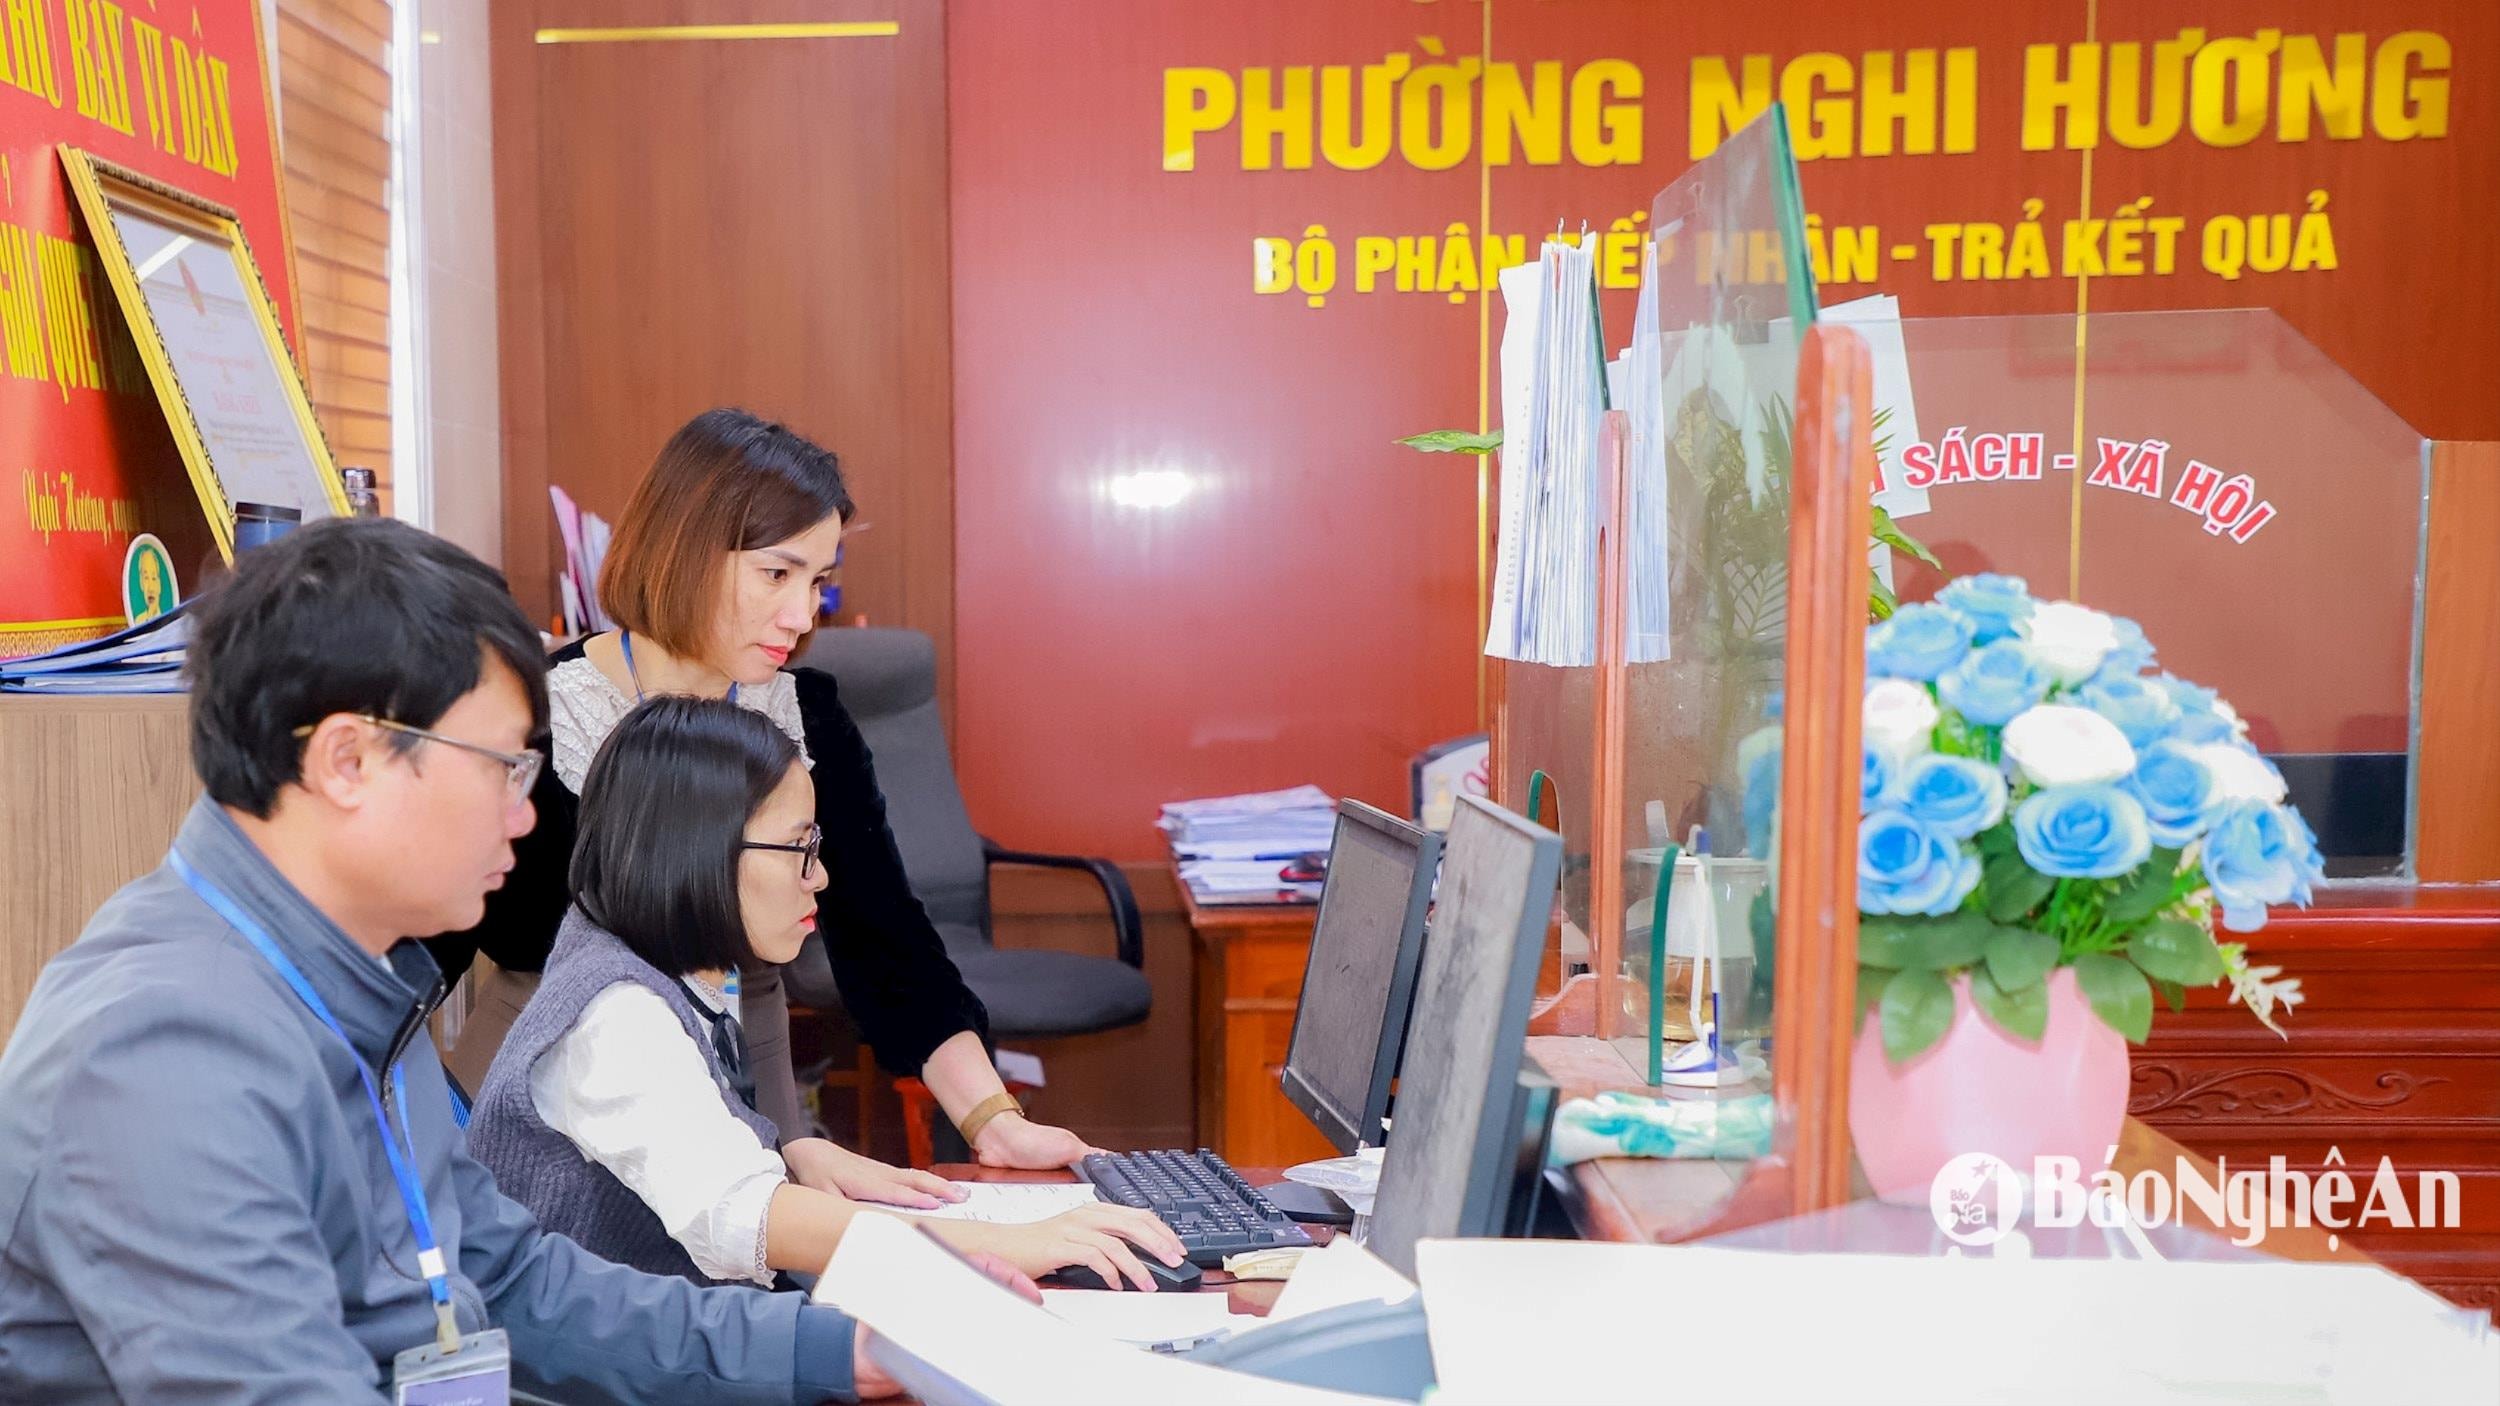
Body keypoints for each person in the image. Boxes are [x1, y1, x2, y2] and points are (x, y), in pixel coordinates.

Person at [0, 519, 936, 1402]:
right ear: (347, 761)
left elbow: (511, 1278)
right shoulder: (167, 1051)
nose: (525, 819)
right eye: (502, 768)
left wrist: (830, 1349)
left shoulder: (359, 978)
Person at [432, 408, 1091, 1192]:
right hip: (543, 1080)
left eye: (818, 581)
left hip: (740, 1071)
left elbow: (887, 941)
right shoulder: (538, 714)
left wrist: (993, 1120)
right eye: (777, 575)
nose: (803, 616)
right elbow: (424, 939)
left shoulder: (806, 716)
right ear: (683, 549)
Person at [469, 697, 1186, 1290]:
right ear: (700, 852)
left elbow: (680, 1153)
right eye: (801, 849)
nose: (821, 877)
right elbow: (745, 1220)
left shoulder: (656, 964)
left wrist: (788, 1157)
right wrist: (1014, 1243)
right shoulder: (617, 1013)